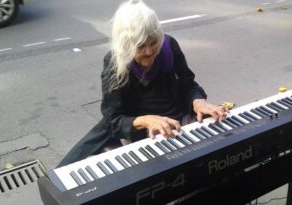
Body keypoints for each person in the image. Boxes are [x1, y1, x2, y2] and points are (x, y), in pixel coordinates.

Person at [57, 0, 227, 167]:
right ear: (125, 46)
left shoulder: (169, 45)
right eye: (140, 46)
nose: (149, 52)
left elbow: (188, 84)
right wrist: (144, 120)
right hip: (145, 132)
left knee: (220, 147)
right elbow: (113, 119)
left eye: (153, 43)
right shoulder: (114, 63)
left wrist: (198, 100)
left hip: (181, 120)